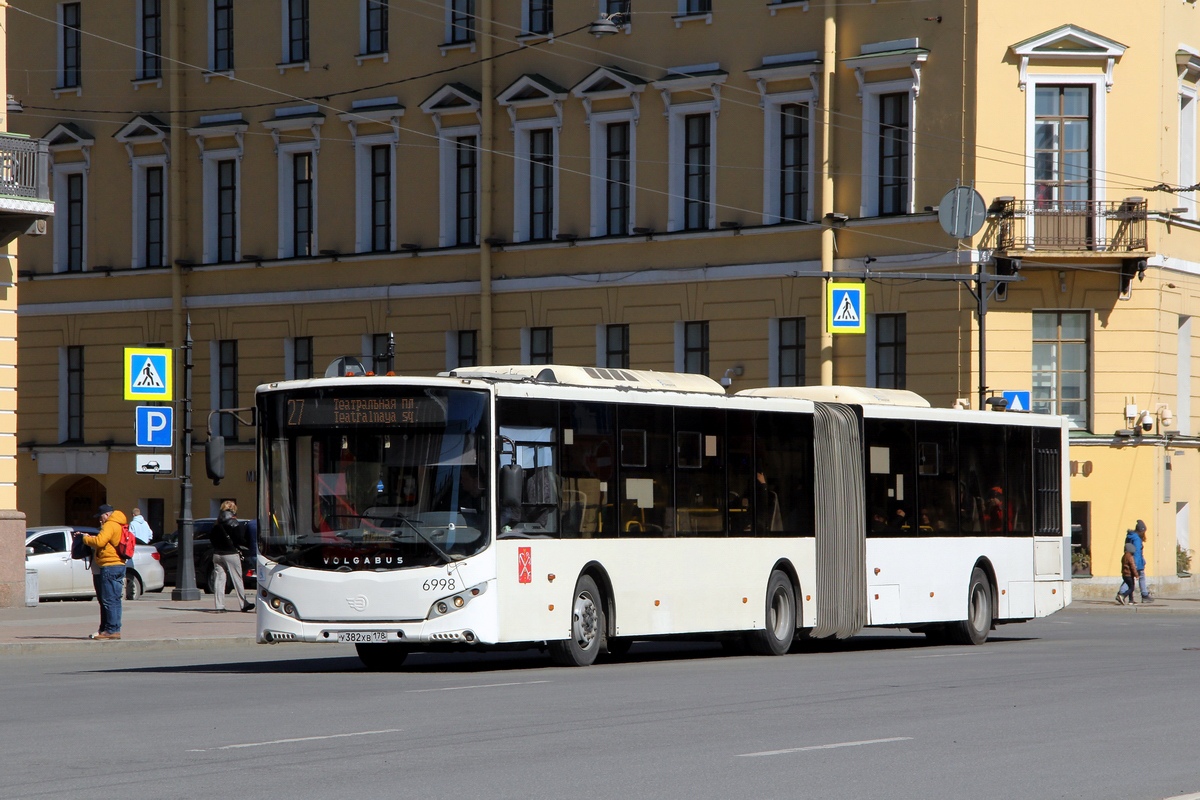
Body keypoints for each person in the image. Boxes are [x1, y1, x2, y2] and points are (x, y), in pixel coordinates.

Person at [82, 503, 127, 640]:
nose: (100, 519)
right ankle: (115, 628)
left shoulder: (110, 524)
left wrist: (85, 538)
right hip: (119, 564)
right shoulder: (120, 523)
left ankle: (111, 630)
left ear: (107, 514)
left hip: (110, 564)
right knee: (115, 599)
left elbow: (100, 542)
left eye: (101, 516)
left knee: (108, 600)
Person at [210, 500, 253, 613]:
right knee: (237, 579)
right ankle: (243, 604)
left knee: (219, 580)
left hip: (217, 554)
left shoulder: (216, 523)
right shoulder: (234, 523)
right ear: (233, 510)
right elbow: (239, 539)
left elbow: (211, 539)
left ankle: (219, 606)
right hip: (231, 554)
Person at [1125, 519, 1154, 604]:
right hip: (1136, 563)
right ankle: (1122, 593)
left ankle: (1122, 594)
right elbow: (1137, 552)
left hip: (1130, 561)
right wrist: (1138, 564)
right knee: (1139, 578)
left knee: (1129, 579)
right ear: (1141, 531)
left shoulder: (1130, 536)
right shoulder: (1137, 539)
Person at [1117, 541, 1140, 605]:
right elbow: (1133, 567)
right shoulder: (1130, 557)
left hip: (1124, 574)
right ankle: (1122, 596)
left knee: (1130, 586)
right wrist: (1136, 575)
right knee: (1131, 588)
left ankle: (1131, 600)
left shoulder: (1124, 556)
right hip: (1129, 574)